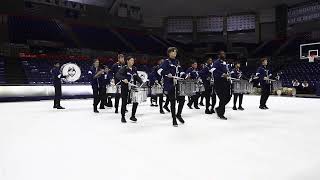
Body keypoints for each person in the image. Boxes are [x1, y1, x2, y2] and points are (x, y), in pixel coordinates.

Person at [158, 47, 186, 127]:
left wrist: (184, 74)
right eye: (174, 52)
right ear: (169, 53)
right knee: (172, 102)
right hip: (170, 84)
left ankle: (178, 114)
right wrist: (167, 73)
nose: (175, 53)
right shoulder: (166, 62)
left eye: (176, 52)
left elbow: (180, 70)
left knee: (182, 100)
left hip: (178, 84)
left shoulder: (177, 61)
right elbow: (159, 71)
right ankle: (174, 119)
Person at [116, 56, 143, 123]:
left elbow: (136, 77)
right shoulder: (124, 68)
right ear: (127, 61)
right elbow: (117, 75)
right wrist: (123, 79)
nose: (133, 62)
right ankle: (123, 117)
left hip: (133, 87)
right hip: (125, 87)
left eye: (133, 60)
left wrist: (141, 82)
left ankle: (133, 116)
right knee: (124, 102)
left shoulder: (134, 68)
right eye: (131, 60)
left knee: (135, 101)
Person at [213, 51, 232, 120]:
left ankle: (218, 108)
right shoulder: (216, 63)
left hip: (226, 83)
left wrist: (229, 74)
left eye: (224, 53)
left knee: (228, 97)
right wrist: (223, 74)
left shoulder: (225, 62)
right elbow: (214, 71)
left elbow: (229, 70)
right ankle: (221, 114)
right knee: (222, 98)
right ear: (219, 55)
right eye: (222, 54)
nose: (224, 55)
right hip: (219, 83)